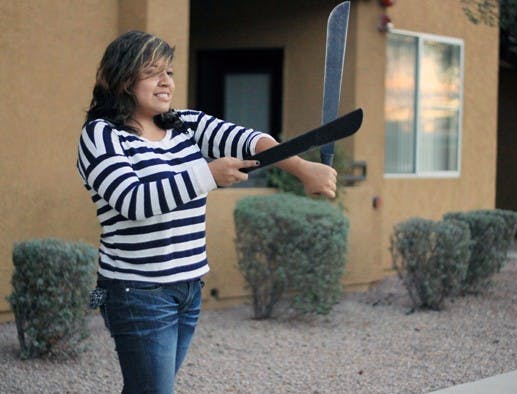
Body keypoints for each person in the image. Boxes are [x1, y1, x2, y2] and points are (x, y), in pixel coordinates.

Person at [77, 30, 337, 393]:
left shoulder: (184, 124)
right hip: (138, 292)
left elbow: (249, 140)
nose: (166, 81)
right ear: (122, 79)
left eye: (168, 71)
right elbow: (132, 201)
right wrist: (207, 174)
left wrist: (304, 169)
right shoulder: (102, 136)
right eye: (153, 72)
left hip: (189, 287)